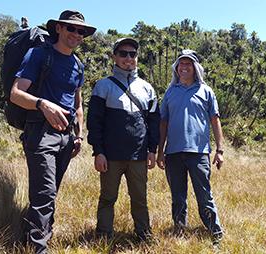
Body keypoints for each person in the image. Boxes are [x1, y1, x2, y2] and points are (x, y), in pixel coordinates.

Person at [10, 10, 96, 253]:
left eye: (81, 31)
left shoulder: (78, 64)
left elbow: (78, 103)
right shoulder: (39, 55)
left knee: (48, 193)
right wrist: (42, 104)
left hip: (66, 136)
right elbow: (16, 93)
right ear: (58, 28)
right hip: (40, 132)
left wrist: (79, 134)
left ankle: (28, 239)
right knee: (45, 193)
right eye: (71, 28)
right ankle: (39, 248)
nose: (76, 34)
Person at [87, 38, 160, 241]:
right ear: (114, 57)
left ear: (137, 58)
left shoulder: (147, 88)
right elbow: (95, 122)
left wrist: (152, 150)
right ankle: (103, 236)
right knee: (108, 198)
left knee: (140, 199)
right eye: (123, 53)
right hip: (110, 156)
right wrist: (98, 151)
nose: (128, 58)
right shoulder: (103, 86)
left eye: (132, 54)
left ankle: (144, 235)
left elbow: (154, 122)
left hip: (139, 155)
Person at [156, 49, 224, 244]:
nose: (184, 67)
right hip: (174, 153)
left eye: (189, 64)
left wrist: (219, 150)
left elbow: (215, 121)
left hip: (199, 153)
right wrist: (161, 151)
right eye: (181, 64)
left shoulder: (206, 91)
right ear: (176, 68)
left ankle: (215, 233)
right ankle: (180, 230)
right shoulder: (170, 92)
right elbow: (163, 124)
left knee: (204, 195)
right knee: (178, 197)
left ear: (195, 68)